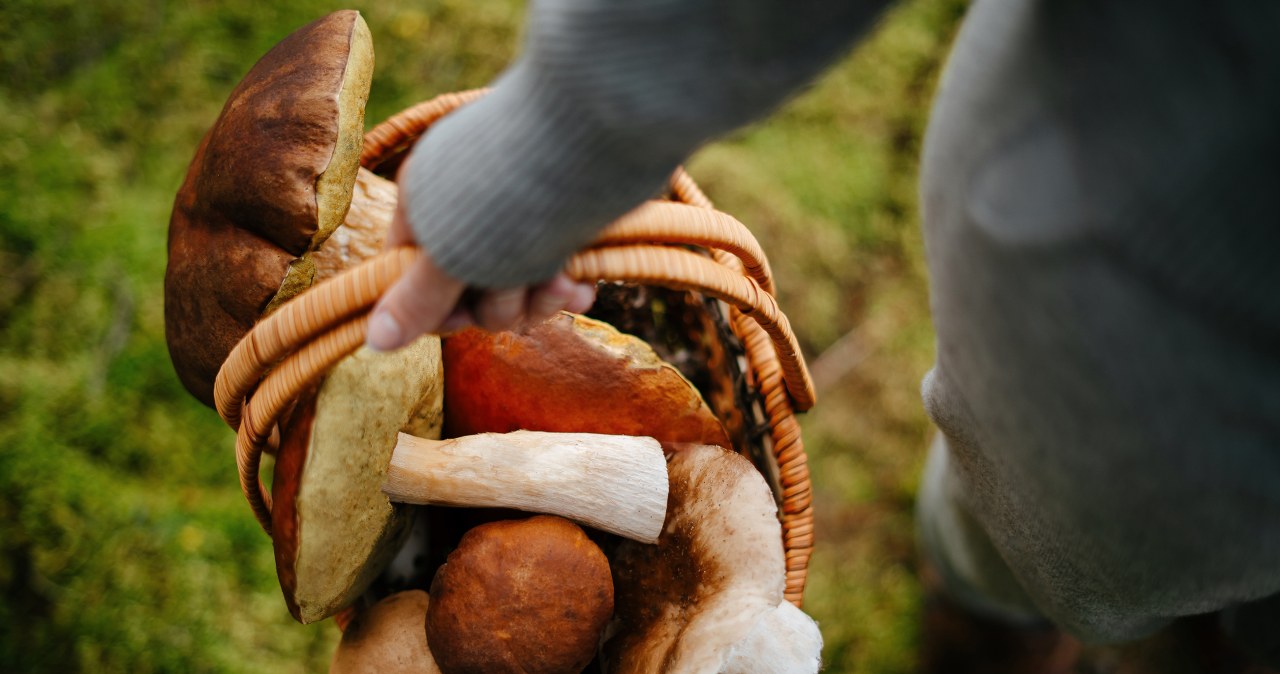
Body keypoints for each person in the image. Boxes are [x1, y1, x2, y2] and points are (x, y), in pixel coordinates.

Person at [365, 0, 1280, 668]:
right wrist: (559, 141)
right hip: (1110, 322)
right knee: (1049, 530)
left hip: (1137, 316)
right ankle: (992, 608)